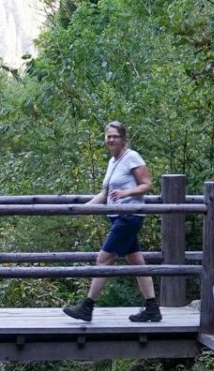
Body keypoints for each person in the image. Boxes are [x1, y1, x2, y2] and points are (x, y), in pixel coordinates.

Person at [62, 120, 161, 323]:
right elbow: (106, 193)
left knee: (103, 259)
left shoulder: (132, 157)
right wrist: (84, 209)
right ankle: (152, 308)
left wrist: (126, 192)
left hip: (129, 217)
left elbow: (147, 185)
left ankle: (87, 306)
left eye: (115, 136)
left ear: (123, 139)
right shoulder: (113, 161)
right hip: (118, 217)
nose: (111, 139)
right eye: (108, 136)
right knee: (137, 262)